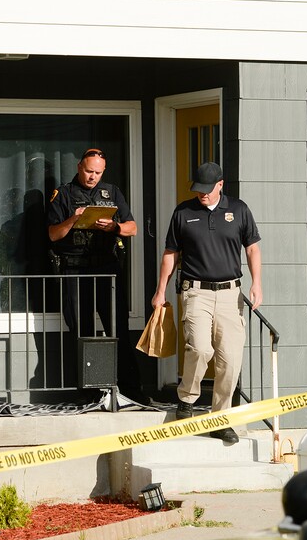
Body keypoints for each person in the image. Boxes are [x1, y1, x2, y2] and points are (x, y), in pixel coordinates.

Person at [151, 162, 261, 444]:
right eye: (198, 189)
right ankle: (187, 397)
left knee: (230, 360)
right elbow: (171, 253)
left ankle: (220, 420)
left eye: (207, 189)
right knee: (200, 348)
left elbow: (252, 248)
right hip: (196, 292)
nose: (202, 194)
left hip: (230, 294)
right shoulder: (183, 212)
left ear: (220, 185)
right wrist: (161, 290)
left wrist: (256, 283)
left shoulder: (239, 210)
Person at [47, 148, 139, 399]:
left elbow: (132, 228)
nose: (93, 177)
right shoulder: (63, 194)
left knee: (118, 329)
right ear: (79, 167)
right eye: (89, 171)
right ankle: (88, 394)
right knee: (82, 332)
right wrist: (73, 220)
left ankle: (131, 390)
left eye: (98, 172)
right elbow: (53, 234)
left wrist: (114, 227)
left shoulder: (112, 192)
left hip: (107, 269)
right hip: (76, 269)